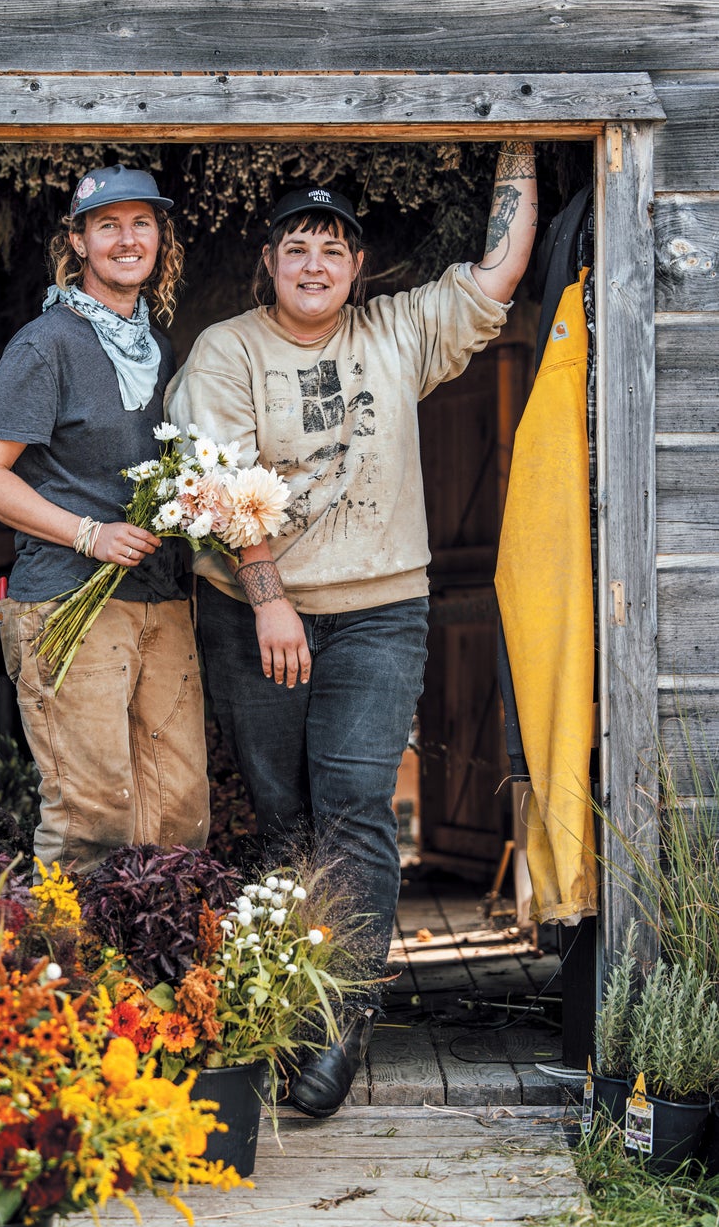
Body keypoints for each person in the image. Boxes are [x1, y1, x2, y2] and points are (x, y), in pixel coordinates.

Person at [166, 142, 538, 1117]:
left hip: (379, 610)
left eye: (335, 247)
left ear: (359, 265)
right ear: (269, 262)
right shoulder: (229, 350)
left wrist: (524, 143)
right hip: (252, 615)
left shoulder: (395, 332)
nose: (318, 262)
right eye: (299, 245)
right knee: (284, 816)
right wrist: (269, 591)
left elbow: (499, 272)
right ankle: (291, 999)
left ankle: (342, 1016)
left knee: (354, 805)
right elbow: (212, 476)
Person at [0, 163, 210, 876]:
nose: (127, 239)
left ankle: (151, 978)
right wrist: (87, 532)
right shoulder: (48, 344)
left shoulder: (157, 348)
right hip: (69, 595)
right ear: (77, 241)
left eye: (141, 223)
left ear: (160, 236)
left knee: (179, 807)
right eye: (107, 225)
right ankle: (66, 980)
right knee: (92, 814)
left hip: (159, 599)